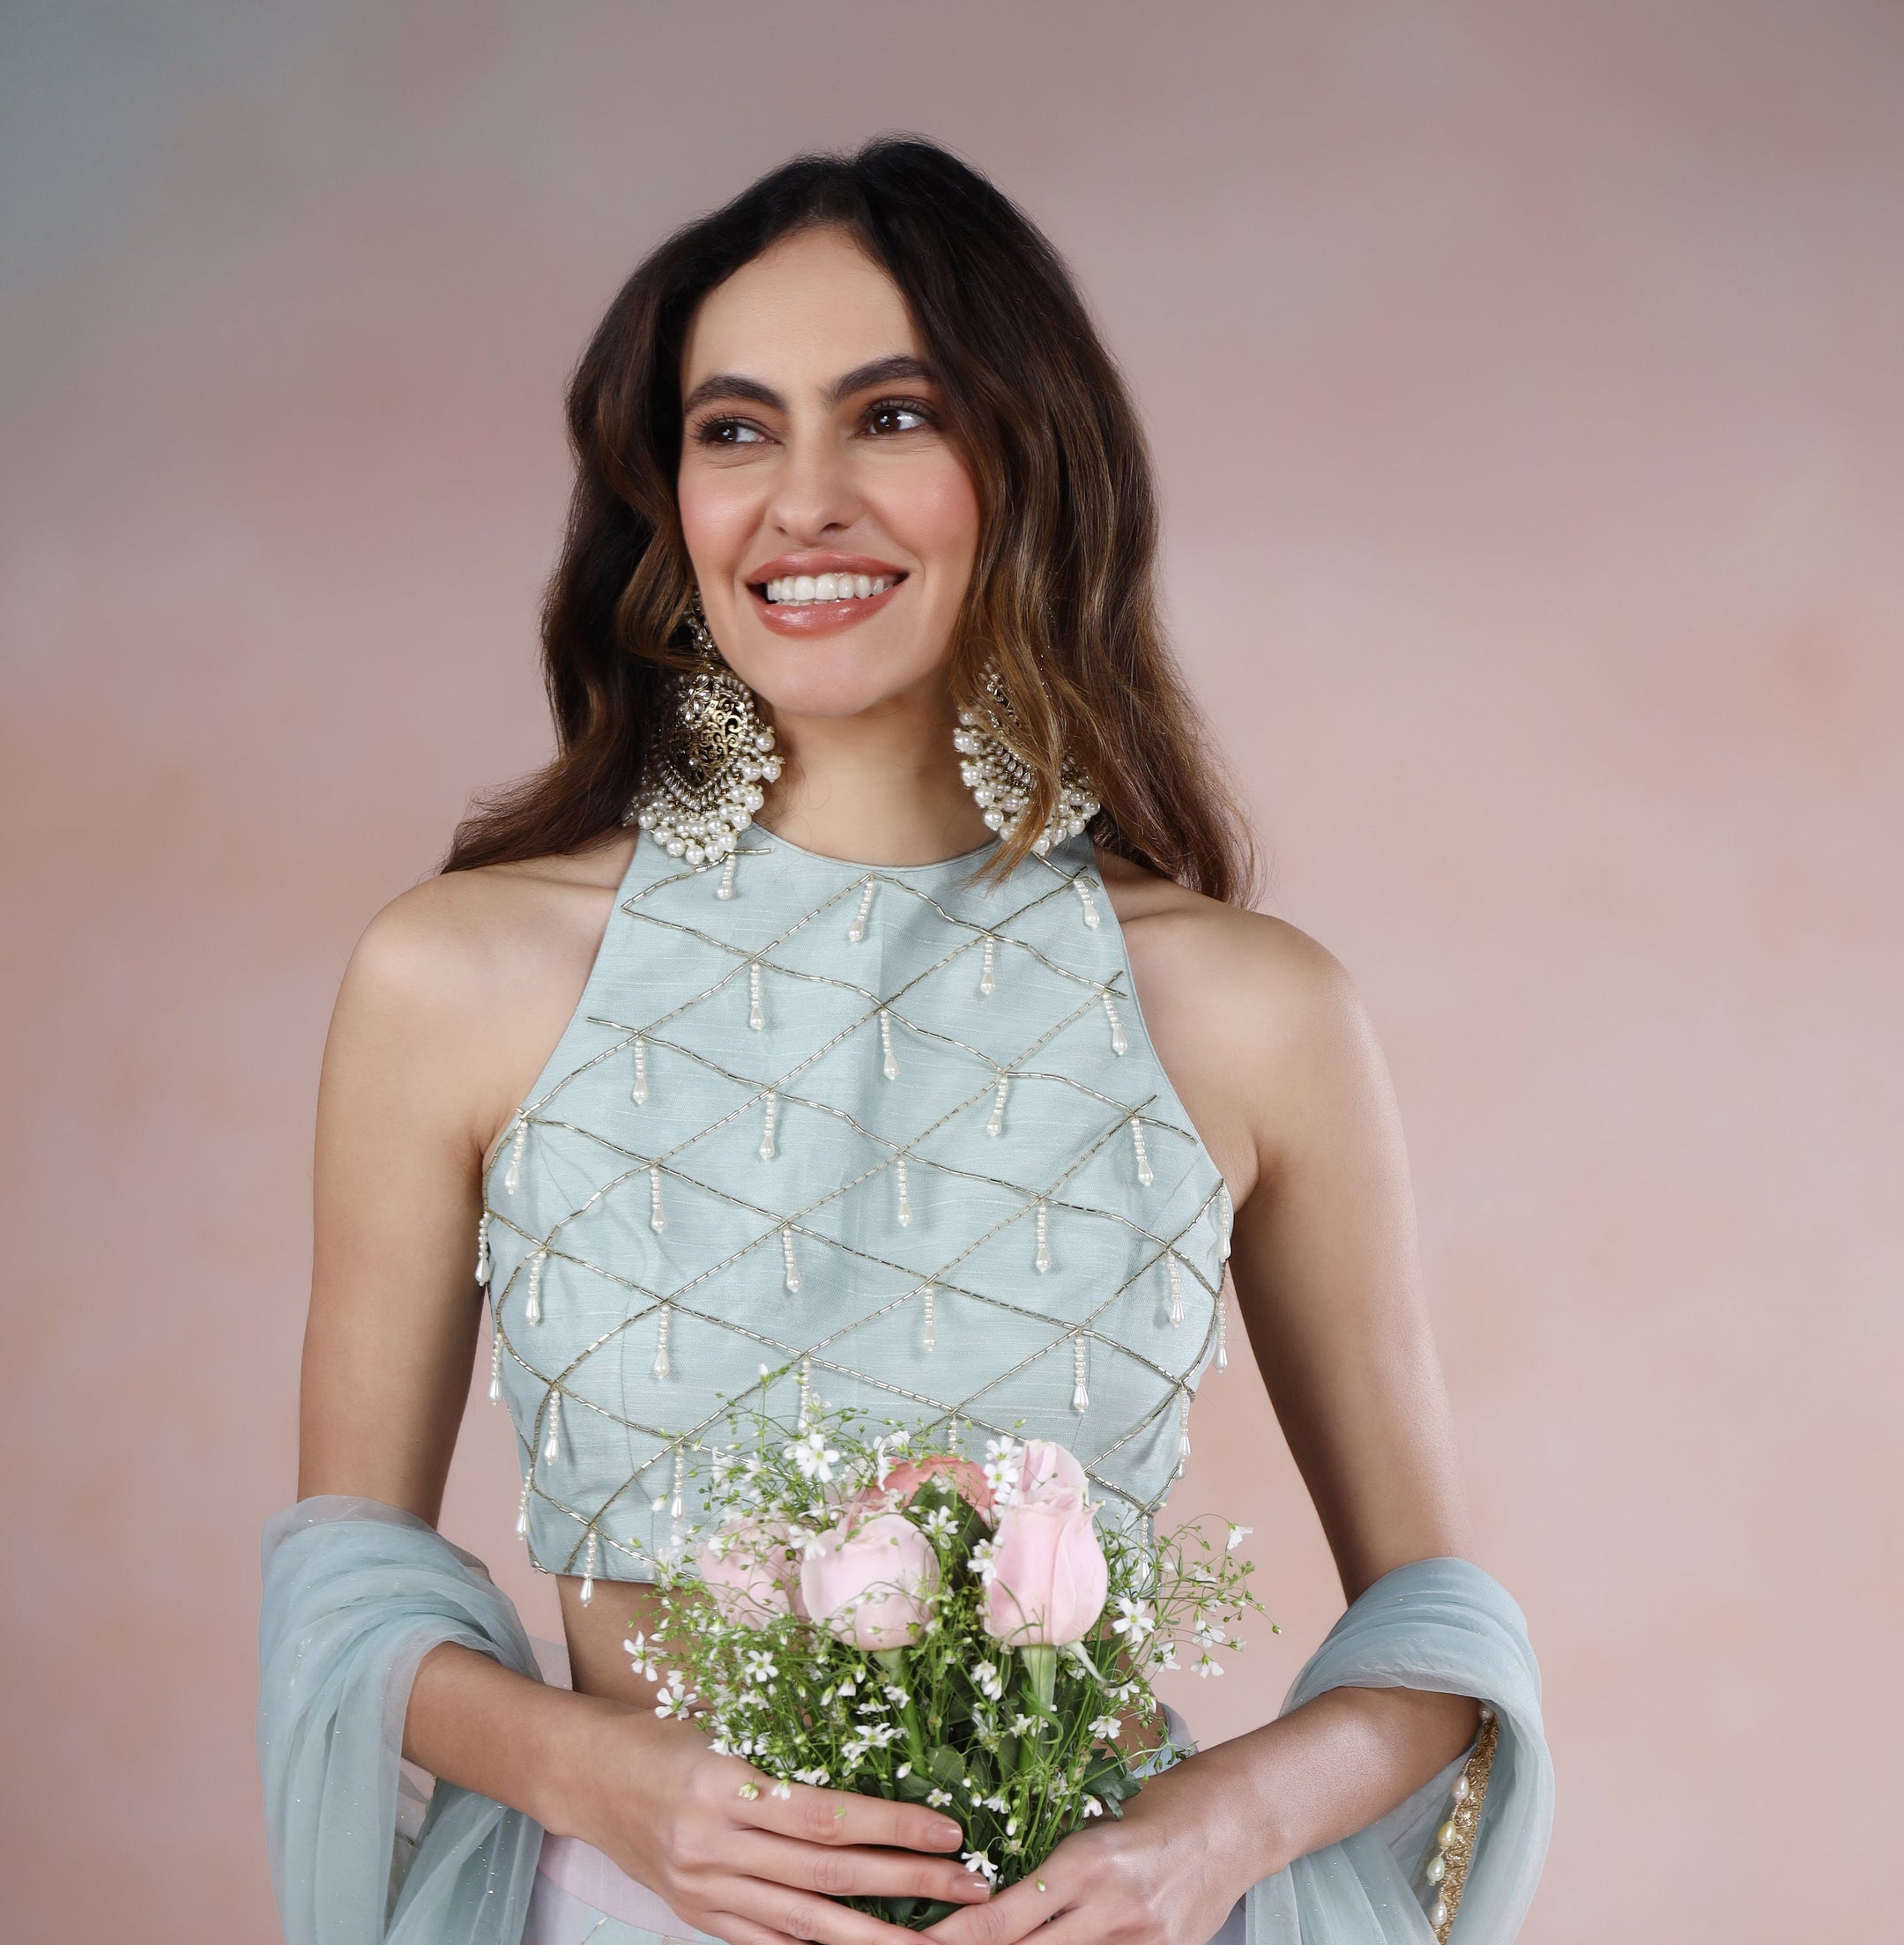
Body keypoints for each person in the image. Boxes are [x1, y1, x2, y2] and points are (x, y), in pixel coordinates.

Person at [261, 138, 1551, 1945]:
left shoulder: (1253, 1008)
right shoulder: (459, 976)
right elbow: (350, 1594)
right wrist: (594, 1777)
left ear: (1029, 463)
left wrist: (1214, 1826)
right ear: (667, 496)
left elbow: (1436, 1636)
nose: (803, 500)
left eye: (890, 416)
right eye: (733, 428)